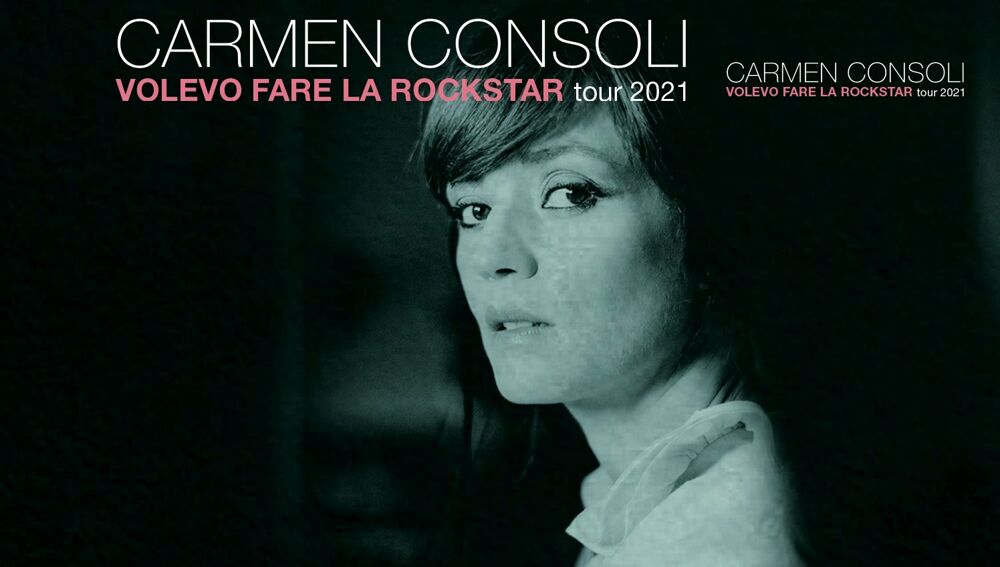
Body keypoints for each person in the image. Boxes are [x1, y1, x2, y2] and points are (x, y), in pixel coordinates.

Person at [419, 6, 804, 566]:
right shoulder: (651, 512)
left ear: (712, 221)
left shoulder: (722, 538)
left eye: (570, 194)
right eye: (473, 209)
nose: (495, 259)